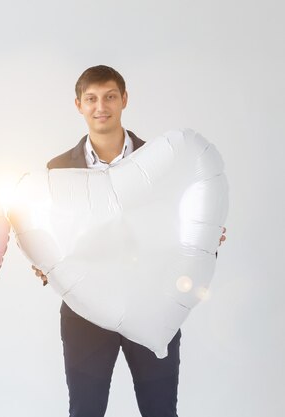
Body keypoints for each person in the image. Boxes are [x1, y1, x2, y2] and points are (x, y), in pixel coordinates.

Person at [33, 65, 226, 417]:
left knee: (160, 411)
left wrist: (206, 235)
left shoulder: (161, 160)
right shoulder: (57, 170)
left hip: (154, 307)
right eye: (91, 99)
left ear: (124, 100)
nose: (100, 106)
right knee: (85, 412)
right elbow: (50, 236)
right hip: (85, 318)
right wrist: (46, 265)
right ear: (78, 105)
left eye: (109, 97)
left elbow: (186, 218)